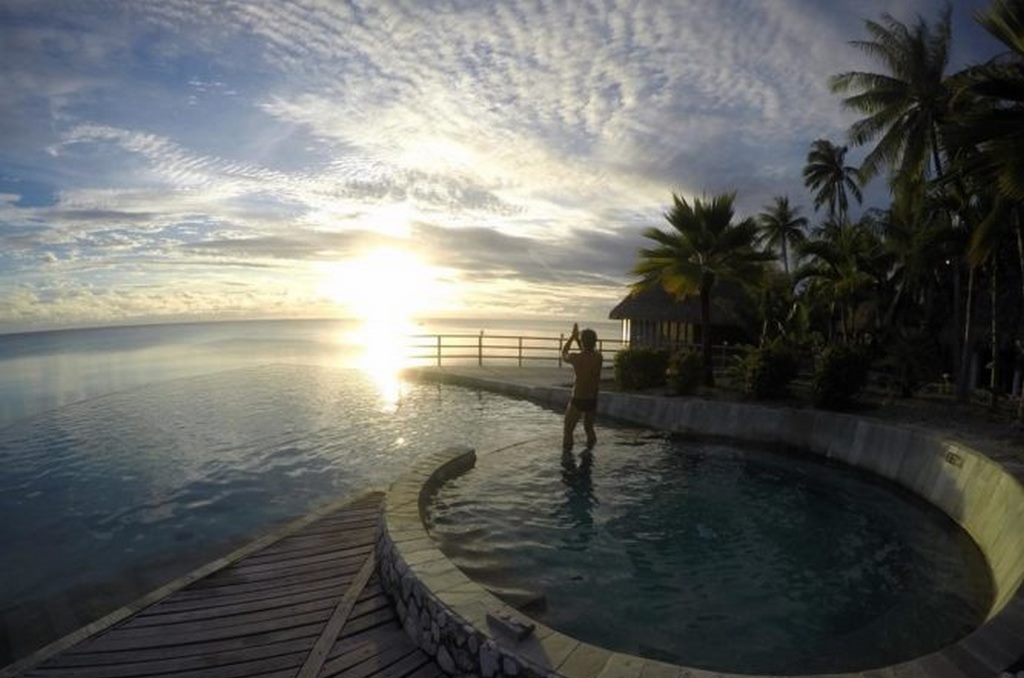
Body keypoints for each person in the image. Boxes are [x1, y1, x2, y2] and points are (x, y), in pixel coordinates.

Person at [562, 323, 603, 451]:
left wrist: (572, 338)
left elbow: (564, 354)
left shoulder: (576, 357)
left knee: (568, 430)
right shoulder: (598, 357)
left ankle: (567, 456)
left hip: (578, 398)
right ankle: (590, 453)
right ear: (595, 341)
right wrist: (578, 339)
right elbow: (587, 351)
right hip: (592, 399)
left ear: (583, 342)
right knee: (589, 428)